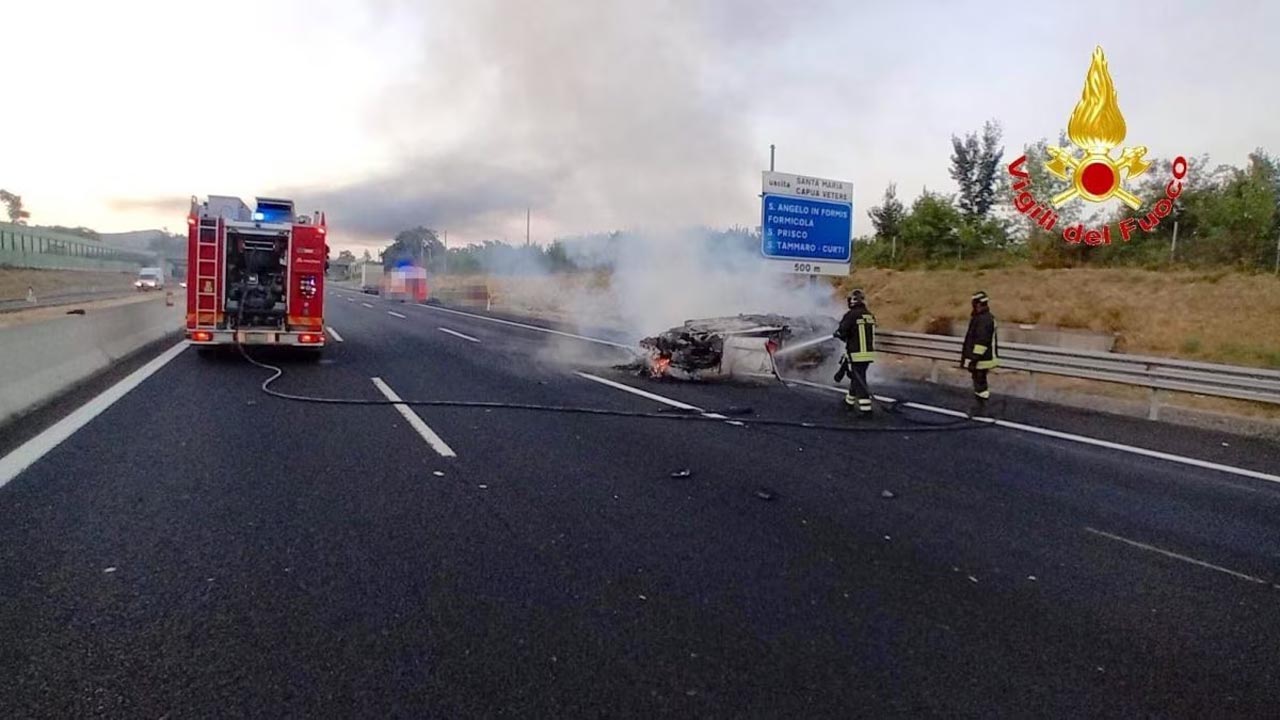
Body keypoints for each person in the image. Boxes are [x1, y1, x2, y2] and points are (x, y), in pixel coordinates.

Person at [834, 288, 876, 417]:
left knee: (859, 380)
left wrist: (838, 334)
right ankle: (849, 402)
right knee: (856, 377)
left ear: (852, 301)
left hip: (856, 354)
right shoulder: (869, 315)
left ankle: (866, 409)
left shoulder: (851, 315)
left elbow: (843, 332)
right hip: (868, 354)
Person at [961, 290, 999, 415]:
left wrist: (974, 359)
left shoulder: (984, 319)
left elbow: (982, 341)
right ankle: (980, 406)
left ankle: (982, 408)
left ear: (977, 303)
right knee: (978, 381)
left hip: (983, 359)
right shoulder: (981, 317)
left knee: (980, 382)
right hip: (980, 358)